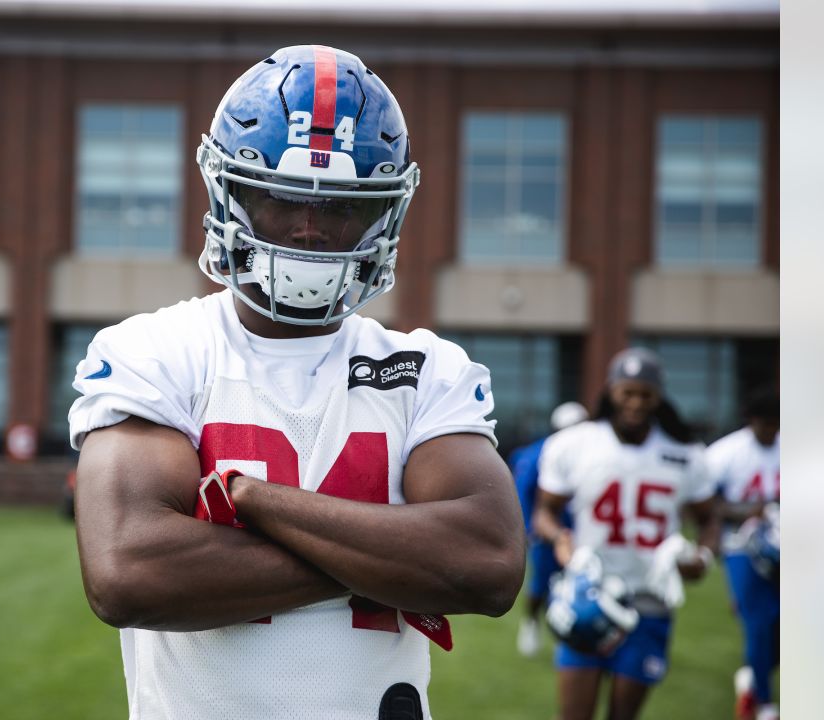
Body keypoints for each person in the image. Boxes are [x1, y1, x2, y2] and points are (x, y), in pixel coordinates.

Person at [67, 45, 525, 720]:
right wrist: (391, 561)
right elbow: (129, 574)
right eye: (281, 198)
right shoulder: (155, 352)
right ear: (229, 193)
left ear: (384, 214)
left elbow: (486, 564)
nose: (308, 228)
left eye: (340, 207)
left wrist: (257, 502)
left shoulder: (427, 369)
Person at [533, 348, 720, 720]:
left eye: (645, 394)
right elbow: (545, 512)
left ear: (659, 397)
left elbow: (709, 518)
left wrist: (703, 556)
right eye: (627, 392)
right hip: (589, 592)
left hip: (648, 599)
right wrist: (560, 539)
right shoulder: (575, 443)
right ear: (610, 391)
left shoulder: (684, 453)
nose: (635, 402)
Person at [705, 389, 780, 720]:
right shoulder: (726, 452)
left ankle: (753, 675)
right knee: (758, 622)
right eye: (766, 423)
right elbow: (707, 505)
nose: (772, 430)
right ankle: (763, 702)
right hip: (741, 547)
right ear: (752, 421)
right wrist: (752, 510)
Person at [512, 400, 589, 657]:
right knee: (540, 584)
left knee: (578, 582)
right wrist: (526, 528)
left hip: (582, 531)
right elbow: (523, 492)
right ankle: (531, 622)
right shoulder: (540, 453)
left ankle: (566, 630)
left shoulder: (596, 451)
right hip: (548, 530)